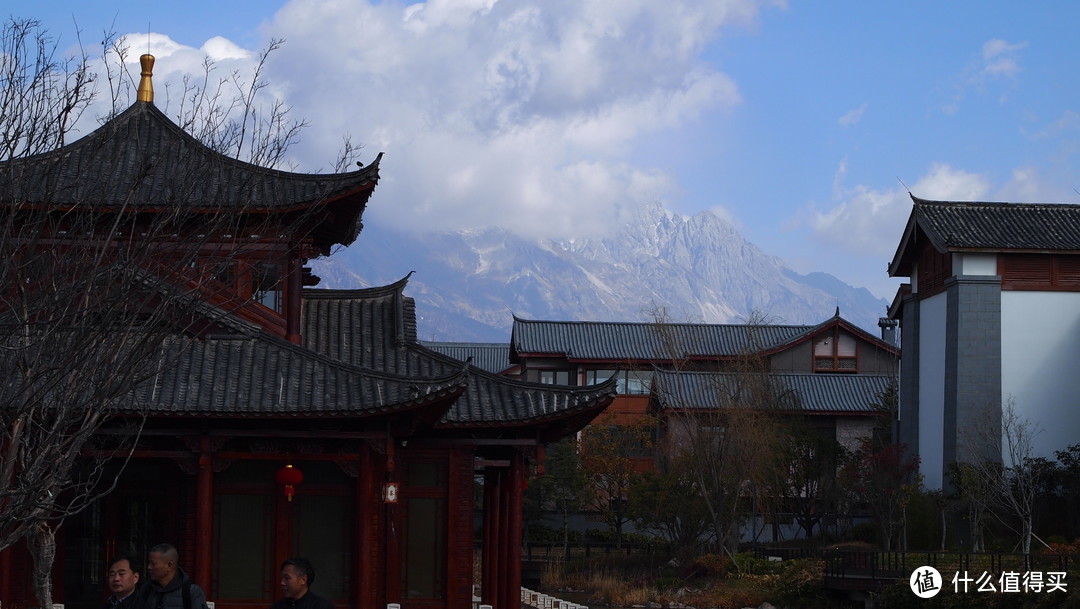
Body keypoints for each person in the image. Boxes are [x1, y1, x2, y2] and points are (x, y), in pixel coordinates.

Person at [141, 543, 208, 609]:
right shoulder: (146, 590)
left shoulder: (191, 592)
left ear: (169, 565)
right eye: (149, 563)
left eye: (153, 564)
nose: (149, 567)